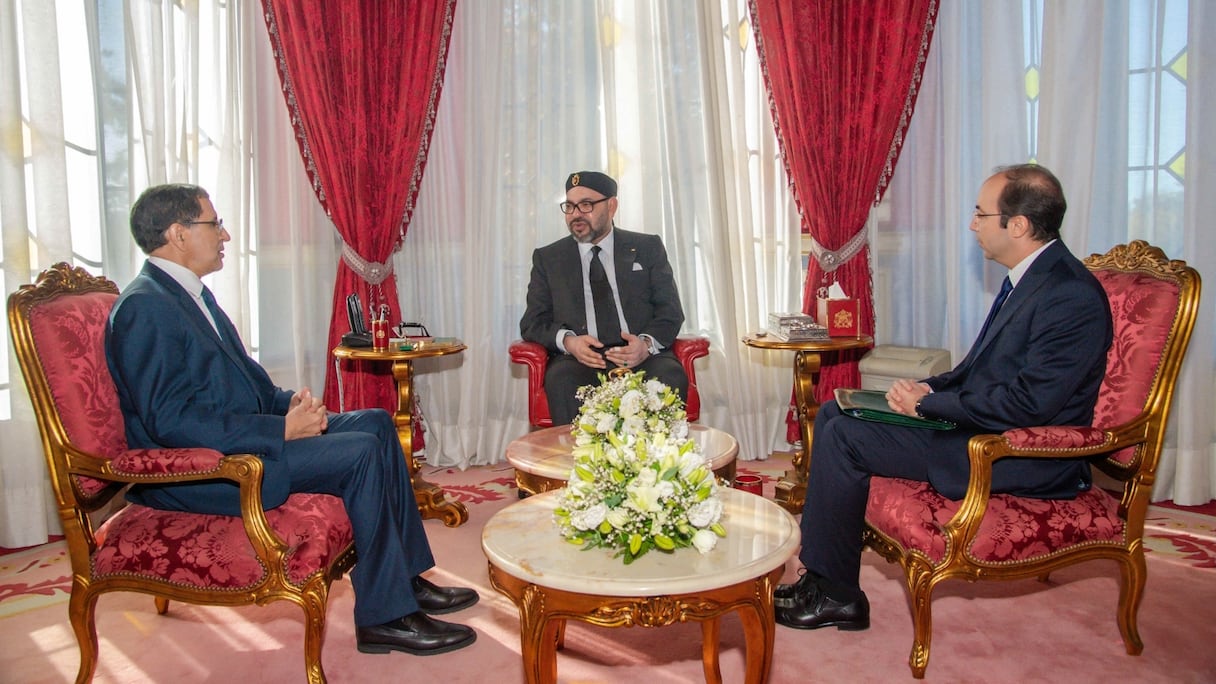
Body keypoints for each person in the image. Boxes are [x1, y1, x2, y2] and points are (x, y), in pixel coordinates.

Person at [105, 184, 478, 656]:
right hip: (205, 470)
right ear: (178, 233)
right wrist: (280, 429)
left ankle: (404, 578)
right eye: (214, 223)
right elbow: (169, 420)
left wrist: (292, 406)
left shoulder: (188, 295)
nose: (225, 234)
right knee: (360, 452)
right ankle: (386, 617)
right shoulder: (146, 307)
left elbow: (248, 387)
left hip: (242, 438)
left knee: (378, 424)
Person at [774, 164, 1113, 631]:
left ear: (1017, 226)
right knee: (836, 410)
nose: (973, 224)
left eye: (980, 213)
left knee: (845, 436)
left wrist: (926, 406)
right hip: (983, 426)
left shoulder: (1069, 295)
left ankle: (836, 595)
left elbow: (1030, 405)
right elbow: (979, 370)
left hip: (1019, 452)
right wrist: (930, 388)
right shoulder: (1032, 277)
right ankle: (824, 578)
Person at [520, 171, 688, 425]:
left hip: (642, 356)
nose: (576, 214)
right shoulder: (549, 258)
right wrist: (569, 342)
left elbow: (670, 311)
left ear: (612, 206)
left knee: (669, 374)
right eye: (570, 206)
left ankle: (659, 462)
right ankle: (578, 463)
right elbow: (532, 322)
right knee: (562, 379)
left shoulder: (647, 247)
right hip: (579, 360)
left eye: (586, 205)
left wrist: (645, 344)